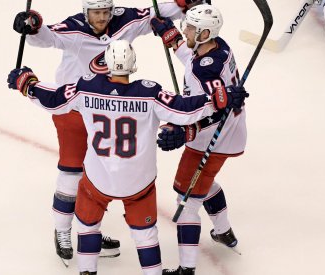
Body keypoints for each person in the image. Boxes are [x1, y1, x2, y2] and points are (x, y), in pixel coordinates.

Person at [7, 40, 248, 275]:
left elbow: (54, 99)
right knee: (145, 234)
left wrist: (27, 83)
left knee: (87, 226)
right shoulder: (150, 93)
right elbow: (185, 109)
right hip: (138, 183)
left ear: (106, 63)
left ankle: (87, 272)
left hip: (98, 180)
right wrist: (219, 98)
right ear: (133, 64)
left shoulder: (85, 87)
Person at [12, 0, 198, 263]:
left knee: (105, 172)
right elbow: (47, 38)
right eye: (95, 13)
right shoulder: (75, 28)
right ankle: (63, 231)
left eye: (105, 12)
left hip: (111, 107)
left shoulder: (124, 20)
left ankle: (89, 228)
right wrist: (32, 25)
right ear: (85, 12)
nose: (101, 18)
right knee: (72, 170)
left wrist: (182, 4)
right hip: (74, 108)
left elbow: (154, 13)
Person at [151, 4, 247, 274]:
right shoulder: (219, 47)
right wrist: (173, 40)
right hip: (232, 134)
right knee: (203, 183)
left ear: (205, 32)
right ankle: (224, 231)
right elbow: (195, 61)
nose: (184, 29)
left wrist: (186, 132)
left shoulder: (207, 71)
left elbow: (218, 110)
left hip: (212, 139)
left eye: (190, 28)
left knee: (187, 197)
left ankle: (187, 269)